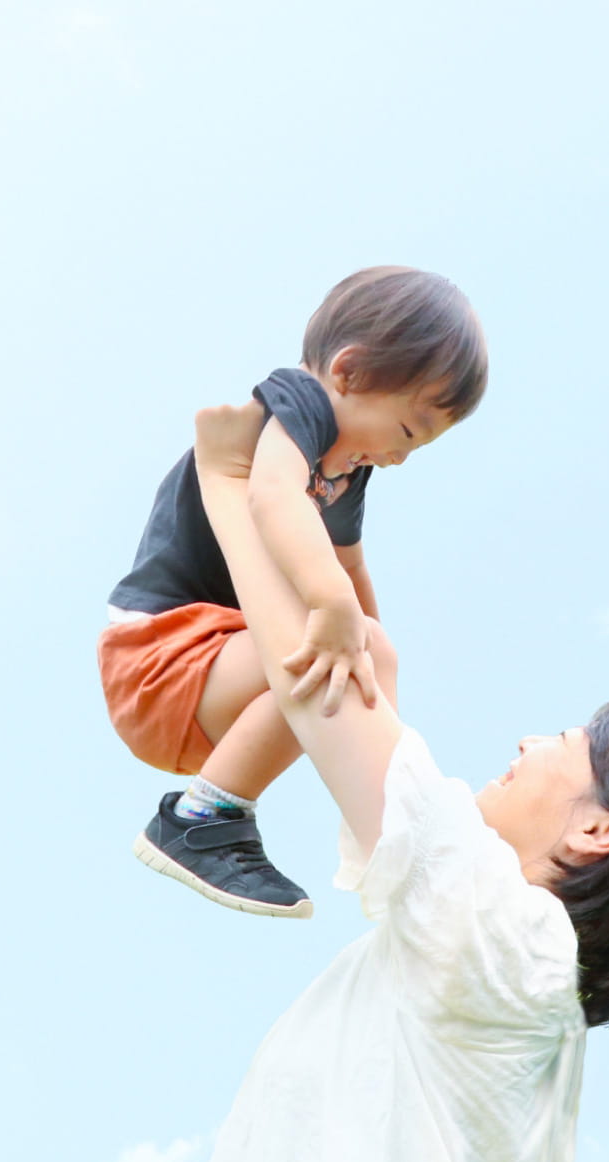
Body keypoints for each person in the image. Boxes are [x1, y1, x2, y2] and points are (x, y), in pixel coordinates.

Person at [186, 399, 609, 1162]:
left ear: (599, 831)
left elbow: (325, 680)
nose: (529, 743)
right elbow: (370, 713)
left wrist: (232, 480)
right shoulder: (518, 1007)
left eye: (568, 741)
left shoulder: (507, 941)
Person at [98, 266, 488, 918]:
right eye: (409, 431)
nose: (400, 458)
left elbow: (351, 572)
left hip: (214, 684)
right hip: (160, 654)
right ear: (349, 373)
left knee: (363, 654)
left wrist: (375, 709)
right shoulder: (297, 405)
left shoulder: (348, 468)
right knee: (341, 646)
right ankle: (202, 819)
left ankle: (386, 833)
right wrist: (334, 608)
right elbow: (272, 494)